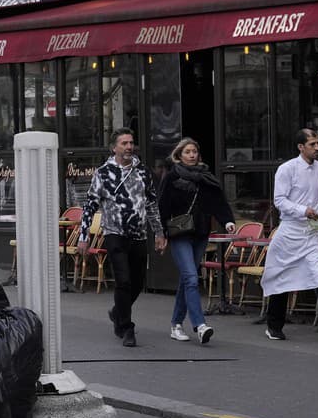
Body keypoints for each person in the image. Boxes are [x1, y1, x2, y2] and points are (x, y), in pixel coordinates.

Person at [261, 128, 318, 343]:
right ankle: (274, 326)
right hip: (290, 232)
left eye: (317, 143)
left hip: (313, 233)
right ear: (300, 147)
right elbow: (280, 200)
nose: (317, 147)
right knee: (282, 277)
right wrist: (304, 210)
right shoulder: (286, 169)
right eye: (312, 144)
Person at [78, 128, 167, 347]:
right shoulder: (103, 173)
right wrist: (83, 235)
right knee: (123, 281)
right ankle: (126, 327)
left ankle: (118, 311)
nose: (129, 147)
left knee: (137, 282)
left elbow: (151, 204)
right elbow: (90, 205)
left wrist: (159, 232)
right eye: (124, 143)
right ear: (114, 147)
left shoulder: (143, 172)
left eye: (131, 143)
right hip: (114, 234)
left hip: (138, 234)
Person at [158, 138, 236, 344]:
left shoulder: (206, 177)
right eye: (187, 152)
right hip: (179, 234)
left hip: (201, 232)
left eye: (194, 151)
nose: (192, 155)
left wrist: (227, 221)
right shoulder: (172, 177)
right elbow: (162, 205)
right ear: (179, 155)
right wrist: (161, 233)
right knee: (192, 278)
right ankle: (200, 325)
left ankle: (175, 324)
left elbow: (218, 201)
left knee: (187, 279)